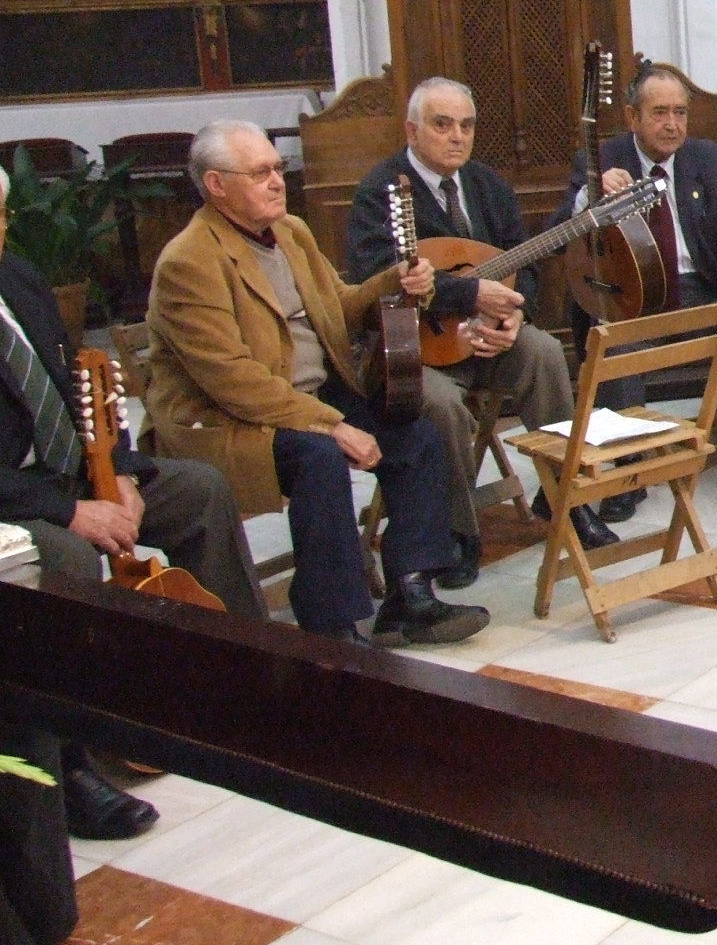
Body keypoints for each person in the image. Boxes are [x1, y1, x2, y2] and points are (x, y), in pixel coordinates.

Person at [146, 122, 488, 647]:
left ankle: (410, 594)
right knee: (320, 458)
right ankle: (331, 623)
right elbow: (234, 381)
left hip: (312, 394)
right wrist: (333, 425)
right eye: (259, 173)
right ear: (216, 185)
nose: (277, 182)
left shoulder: (291, 232)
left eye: (277, 169)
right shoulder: (188, 261)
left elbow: (339, 310)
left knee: (415, 434)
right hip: (234, 419)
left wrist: (394, 280)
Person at [0, 170, 266, 841]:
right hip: (17, 497)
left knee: (197, 489)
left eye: (1, 215)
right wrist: (72, 513)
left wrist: (117, 473)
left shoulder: (20, 279)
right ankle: (75, 764)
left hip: (73, 471)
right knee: (61, 556)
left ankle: (248, 680)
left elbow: (77, 386)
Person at [346, 78, 608, 585]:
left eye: (466, 126)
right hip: (414, 351)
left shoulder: (487, 185)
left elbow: (521, 264)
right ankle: (457, 532)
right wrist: (467, 297)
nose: (456, 137)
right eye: (442, 125)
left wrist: (513, 314)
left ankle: (566, 499)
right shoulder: (380, 192)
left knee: (546, 352)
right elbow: (374, 276)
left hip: (489, 338)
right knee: (441, 405)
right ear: (412, 130)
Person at [556, 61, 717, 508]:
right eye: (659, 113)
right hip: (634, 298)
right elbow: (562, 235)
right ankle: (629, 469)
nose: (672, 125)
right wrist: (589, 198)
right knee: (616, 344)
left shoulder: (708, 159)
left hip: (698, 291)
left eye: (680, 113)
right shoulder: (603, 161)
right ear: (633, 118)